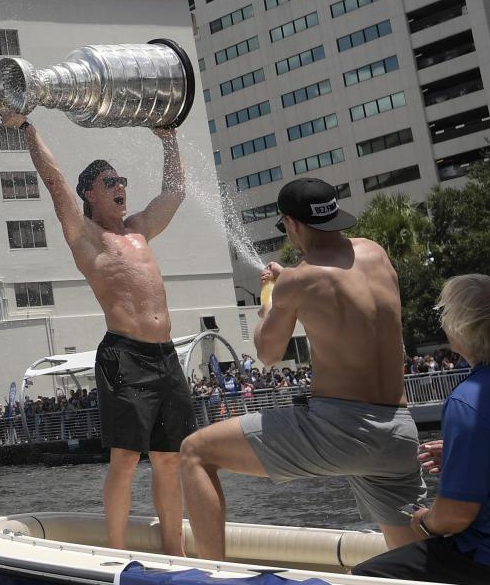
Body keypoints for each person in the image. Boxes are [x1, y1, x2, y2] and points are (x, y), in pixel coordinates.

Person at [179, 177, 426, 560]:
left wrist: (271, 303)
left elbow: (268, 353)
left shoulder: (297, 280)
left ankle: (214, 575)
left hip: (340, 431)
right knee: (418, 560)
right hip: (398, 429)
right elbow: (337, 288)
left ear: (292, 224)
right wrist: (288, 285)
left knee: (195, 451)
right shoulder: (375, 253)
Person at [0, 112, 196, 556]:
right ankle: (117, 552)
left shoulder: (140, 229)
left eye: (121, 179)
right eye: (109, 181)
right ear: (90, 194)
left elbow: (175, 192)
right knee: (125, 459)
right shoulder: (85, 235)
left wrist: (169, 140)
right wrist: (28, 128)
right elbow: (54, 182)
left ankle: (174, 551)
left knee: (170, 459)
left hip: (165, 356)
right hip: (124, 356)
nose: (119, 186)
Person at [353, 274, 490, 584]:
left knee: (365, 576)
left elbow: (456, 516)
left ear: (463, 329)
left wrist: (425, 522)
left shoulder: (471, 401)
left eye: (444, 312)